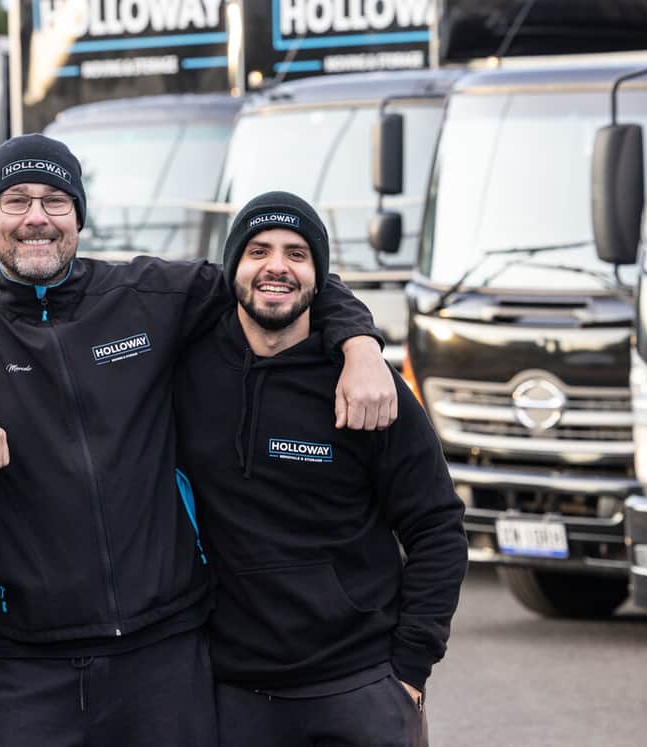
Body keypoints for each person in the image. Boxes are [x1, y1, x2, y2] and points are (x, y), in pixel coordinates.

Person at [0, 135, 398, 747]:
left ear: (78, 216)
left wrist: (360, 345)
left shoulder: (148, 297)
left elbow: (274, 275)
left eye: (54, 201)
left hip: (168, 657)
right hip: (33, 667)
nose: (35, 219)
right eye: (15, 201)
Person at [173, 191, 468, 747]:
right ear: (233, 265)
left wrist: (408, 671)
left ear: (319, 276)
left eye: (297, 253)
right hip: (232, 696)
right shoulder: (185, 372)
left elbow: (437, 529)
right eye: (258, 251)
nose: (276, 267)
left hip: (359, 690)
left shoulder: (369, 390)